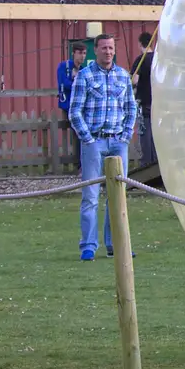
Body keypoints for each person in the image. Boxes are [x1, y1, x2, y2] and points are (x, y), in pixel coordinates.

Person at [68, 34, 137, 261]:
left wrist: (126, 135)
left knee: (117, 196)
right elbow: (74, 111)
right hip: (94, 141)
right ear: (95, 50)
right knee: (90, 196)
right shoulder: (85, 76)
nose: (108, 52)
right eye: (104, 48)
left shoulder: (122, 76)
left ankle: (114, 244)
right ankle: (88, 246)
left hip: (118, 142)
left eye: (111, 48)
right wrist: (87, 139)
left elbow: (131, 108)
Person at [56, 42, 88, 172]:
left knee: (85, 134)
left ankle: (84, 163)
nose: (82, 56)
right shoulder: (64, 67)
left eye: (84, 53)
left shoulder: (83, 69)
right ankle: (80, 164)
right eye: (80, 53)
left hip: (83, 106)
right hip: (70, 105)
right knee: (80, 133)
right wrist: (76, 81)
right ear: (73, 53)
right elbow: (64, 83)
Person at [131, 31, 156, 169]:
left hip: (144, 101)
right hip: (157, 102)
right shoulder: (158, 59)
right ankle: (156, 163)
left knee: (145, 133)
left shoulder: (141, 60)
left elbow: (135, 80)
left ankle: (147, 163)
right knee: (156, 133)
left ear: (140, 43)